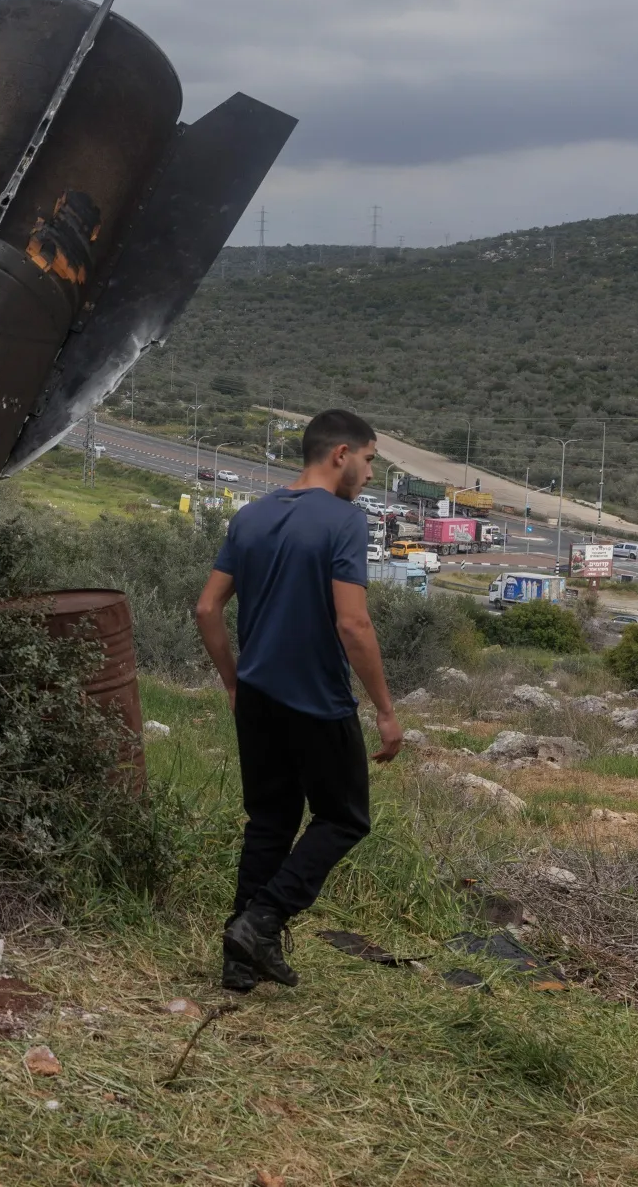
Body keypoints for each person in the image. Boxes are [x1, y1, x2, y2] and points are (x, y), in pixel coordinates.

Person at [193, 408, 403, 990]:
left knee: (271, 818)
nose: (368, 472)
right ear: (340, 454)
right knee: (343, 818)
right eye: (369, 460)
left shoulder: (253, 515)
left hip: (257, 695)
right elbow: (354, 625)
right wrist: (385, 709)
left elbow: (207, 608)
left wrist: (233, 681)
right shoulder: (343, 520)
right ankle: (263, 920)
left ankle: (239, 963)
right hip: (316, 698)